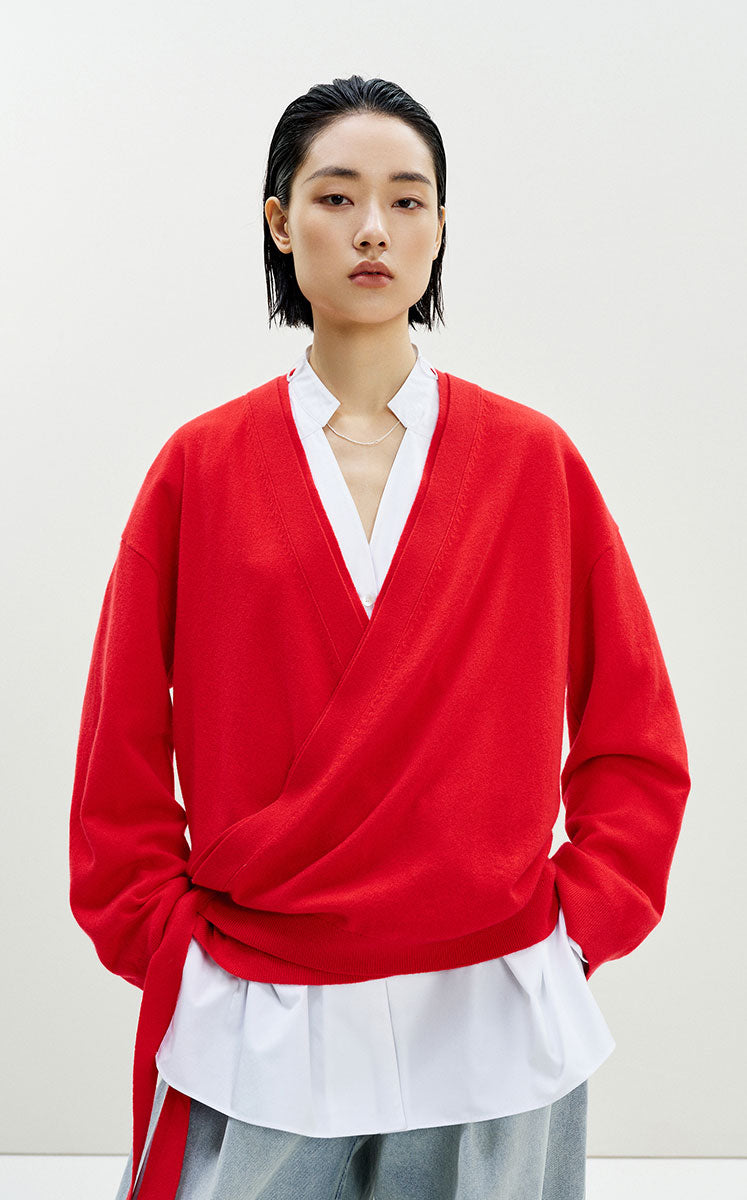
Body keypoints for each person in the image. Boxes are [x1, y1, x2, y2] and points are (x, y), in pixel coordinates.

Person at [69, 74, 691, 1200]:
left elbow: (633, 729)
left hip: (493, 1005)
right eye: (336, 195)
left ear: (441, 226)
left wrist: (579, 923)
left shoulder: (532, 463)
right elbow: (117, 751)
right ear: (279, 220)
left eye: (407, 200)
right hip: (257, 1007)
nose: (372, 229)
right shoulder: (200, 470)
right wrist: (164, 939)